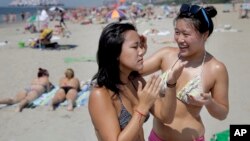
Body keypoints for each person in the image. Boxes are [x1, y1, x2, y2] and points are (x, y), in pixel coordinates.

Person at [140, 4, 229, 141]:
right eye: (177, 32)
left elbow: (222, 114)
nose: (180, 39)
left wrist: (209, 102)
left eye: (186, 34)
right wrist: (139, 54)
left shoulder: (215, 68)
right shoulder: (167, 55)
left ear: (205, 35)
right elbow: (133, 70)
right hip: (156, 137)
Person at [88, 22, 186, 141]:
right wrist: (143, 107)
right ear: (115, 52)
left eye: (141, 46)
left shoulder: (135, 81)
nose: (141, 52)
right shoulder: (100, 94)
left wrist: (171, 84)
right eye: (135, 47)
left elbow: (166, 117)